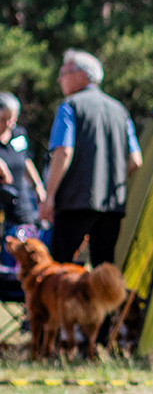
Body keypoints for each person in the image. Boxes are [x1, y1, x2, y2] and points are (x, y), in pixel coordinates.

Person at [38, 49, 142, 266]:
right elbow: (135, 161)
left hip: (74, 202)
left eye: (63, 73)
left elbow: (63, 152)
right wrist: (112, 184)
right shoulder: (120, 110)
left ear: (80, 75)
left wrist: (49, 197)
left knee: (58, 269)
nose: (59, 79)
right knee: (103, 273)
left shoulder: (71, 106)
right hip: (112, 205)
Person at [0, 92, 47, 234]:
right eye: (3, 119)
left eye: (11, 119)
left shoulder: (18, 134)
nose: (8, 124)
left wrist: (38, 186)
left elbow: (26, 160)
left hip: (19, 202)